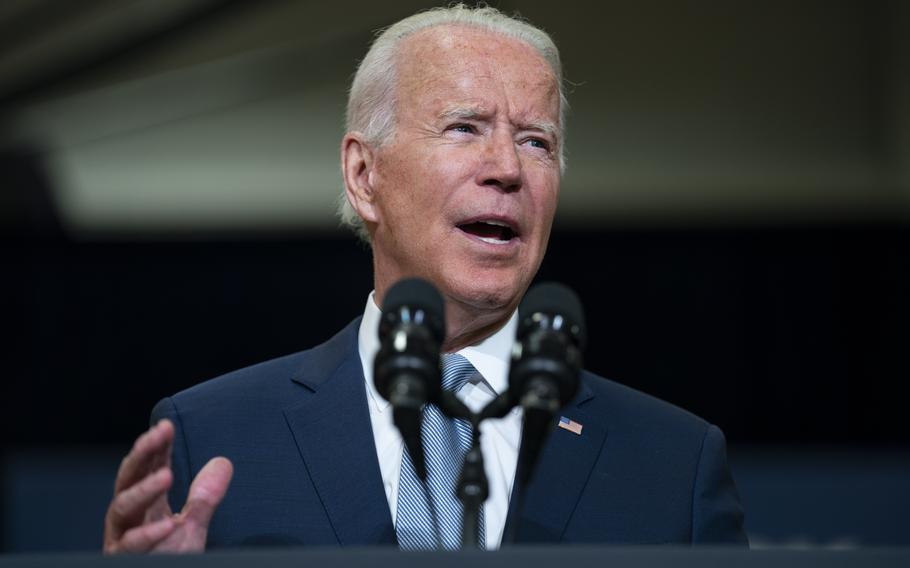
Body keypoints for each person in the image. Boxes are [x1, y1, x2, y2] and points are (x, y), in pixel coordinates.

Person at [103, 5, 747, 553]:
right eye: (464, 128)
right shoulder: (216, 439)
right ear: (364, 175)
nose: (507, 169)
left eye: (536, 142)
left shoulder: (673, 465)